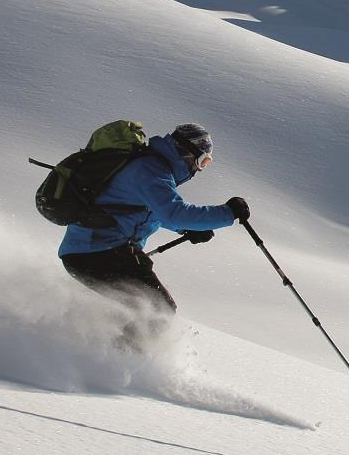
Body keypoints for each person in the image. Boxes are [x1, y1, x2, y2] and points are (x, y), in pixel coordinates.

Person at [58, 122, 250, 347]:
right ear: (187, 152)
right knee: (157, 312)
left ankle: (89, 350)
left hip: (97, 252)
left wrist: (187, 229)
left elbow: (146, 211)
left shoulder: (152, 167)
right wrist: (228, 213)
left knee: (144, 312)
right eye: (202, 161)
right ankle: (117, 365)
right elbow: (173, 213)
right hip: (97, 253)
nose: (199, 169)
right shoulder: (150, 169)